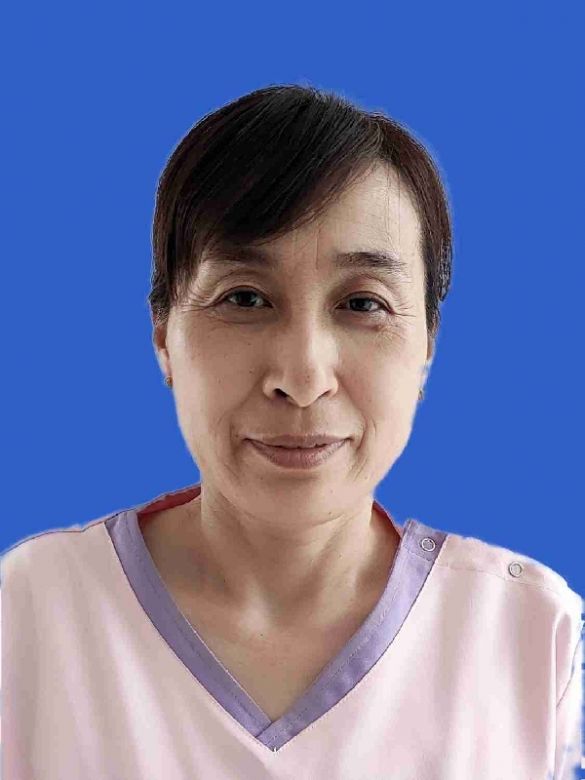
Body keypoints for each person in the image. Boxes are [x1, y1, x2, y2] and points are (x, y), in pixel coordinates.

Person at [1, 84, 582, 779]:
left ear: (427, 344)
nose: (303, 377)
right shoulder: (29, 614)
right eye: (245, 298)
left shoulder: (533, 634)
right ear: (163, 336)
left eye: (362, 304)